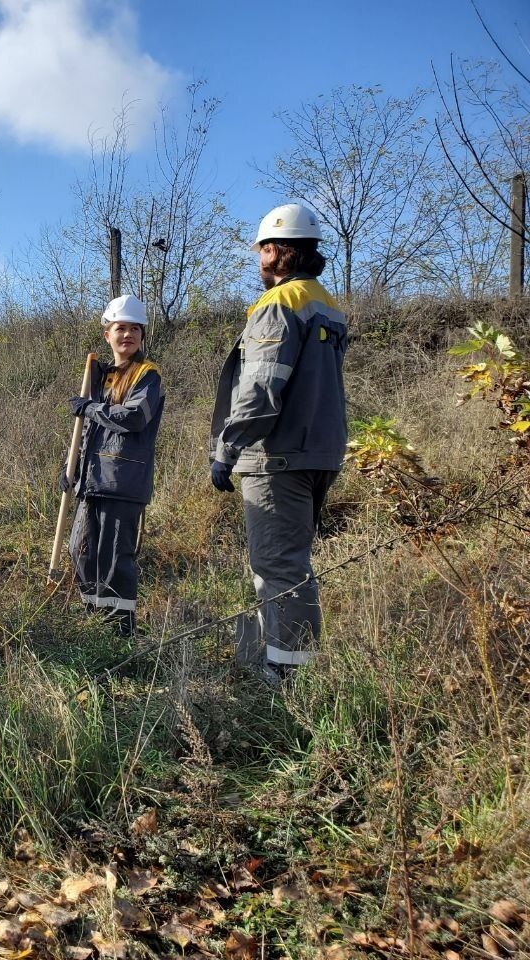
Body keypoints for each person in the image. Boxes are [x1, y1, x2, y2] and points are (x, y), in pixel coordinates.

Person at [209, 202, 347, 684]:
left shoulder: (279, 305)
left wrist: (228, 446)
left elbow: (261, 387)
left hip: (278, 456)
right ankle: (293, 664)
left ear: (279, 251)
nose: (261, 259)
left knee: (277, 566)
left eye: (265, 249)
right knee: (293, 562)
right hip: (319, 452)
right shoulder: (325, 303)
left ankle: (287, 679)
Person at [61, 295, 164, 634]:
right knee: (81, 550)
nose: (128, 335)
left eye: (135, 329)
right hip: (92, 482)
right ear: (107, 334)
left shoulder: (148, 376)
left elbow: (134, 417)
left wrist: (90, 408)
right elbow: (88, 433)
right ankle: (95, 622)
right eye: (121, 328)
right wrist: (72, 471)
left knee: (115, 560)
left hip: (124, 481)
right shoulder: (101, 377)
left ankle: (121, 631)